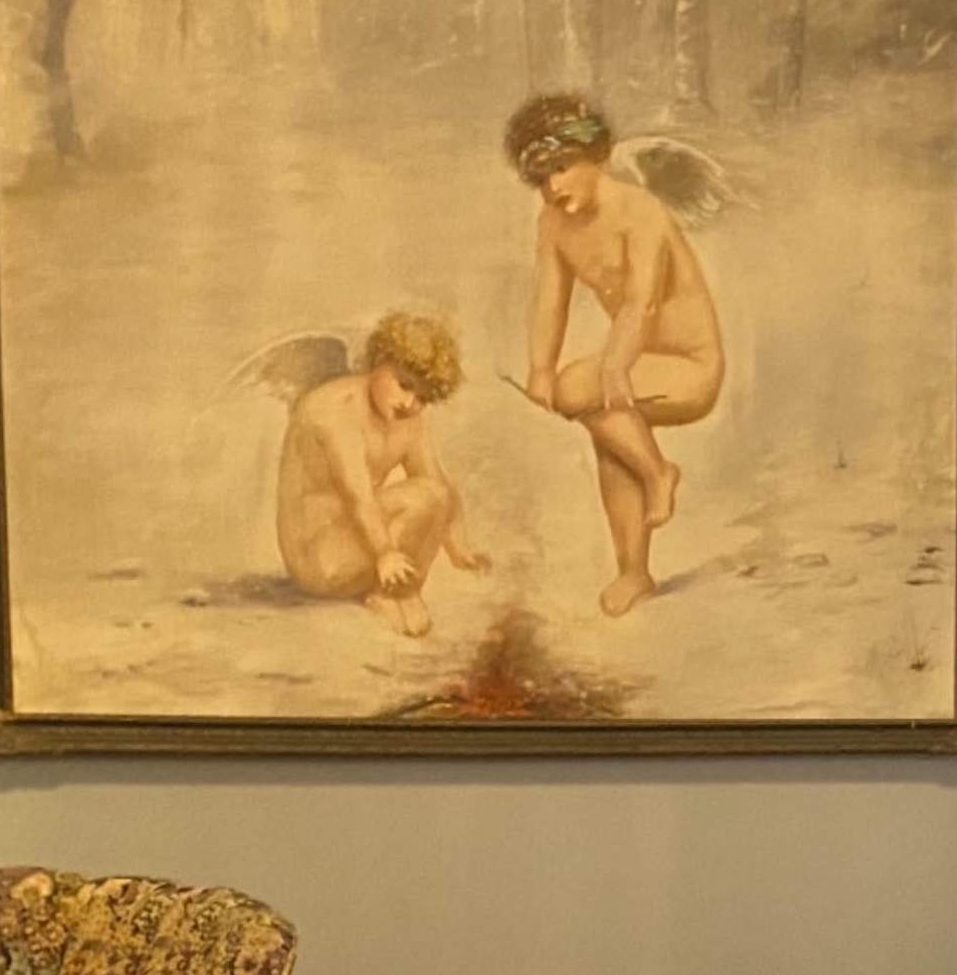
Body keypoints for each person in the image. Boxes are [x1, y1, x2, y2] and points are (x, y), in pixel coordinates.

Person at [503, 89, 727, 617]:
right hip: (632, 365)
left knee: (580, 390)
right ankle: (633, 571)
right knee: (606, 427)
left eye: (562, 167)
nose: (553, 186)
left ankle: (658, 475)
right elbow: (548, 300)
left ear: (597, 158)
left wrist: (613, 364)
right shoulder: (553, 225)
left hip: (690, 369)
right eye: (540, 178)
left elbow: (641, 302)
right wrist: (538, 368)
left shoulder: (639, 213)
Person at [273, 312, 482, 637]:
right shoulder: (335, 409)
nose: (410, 402)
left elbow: (435, 482)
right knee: (424, 497)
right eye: (404, 385)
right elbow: (355, 492)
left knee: (435, 494)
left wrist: (461, 551)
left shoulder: (407, 417)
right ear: (379, 362)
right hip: (317, 559)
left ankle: (397, 591)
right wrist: (385, 553)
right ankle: (392, 594)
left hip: (354, 546)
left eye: (423, 397)